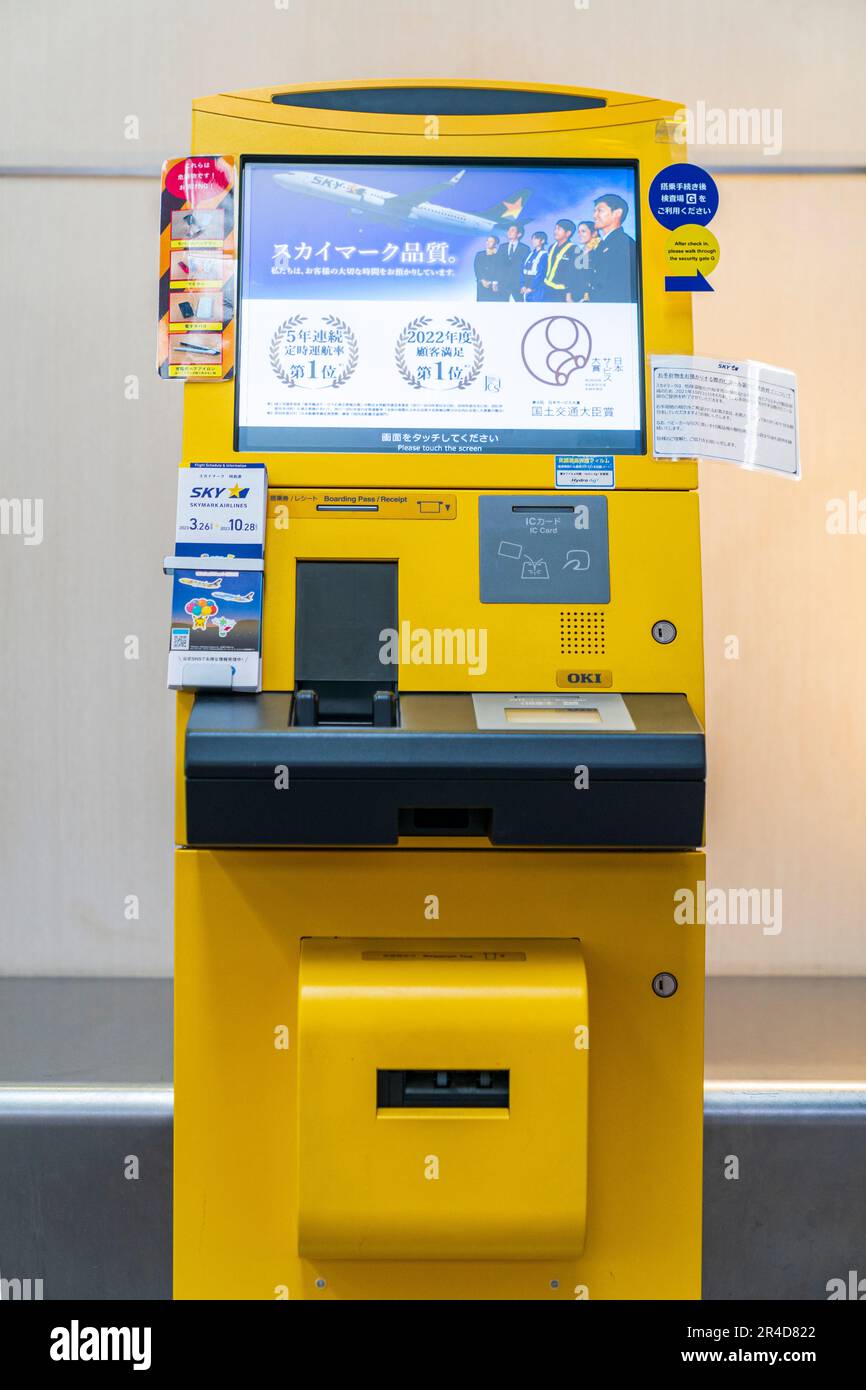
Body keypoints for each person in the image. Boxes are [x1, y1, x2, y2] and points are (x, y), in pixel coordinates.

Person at [587, 194, 637, 303]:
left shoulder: (625, 244)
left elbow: (619, 288)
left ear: (617, 213)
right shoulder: (603, 244)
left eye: (600, 210)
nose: (594, 216)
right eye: (594, 211)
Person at [542, 219, 583, 301]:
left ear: (568, 233)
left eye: (559, 229)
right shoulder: (551, 247)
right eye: (555, 228)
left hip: (562, 293)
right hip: (546, 289)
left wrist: (569, 293)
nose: (555, 231)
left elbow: (574, 274)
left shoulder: (575, 250)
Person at [496, 223, 530, 301]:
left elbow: (526, 268)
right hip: (503, 283)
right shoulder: (502, 247)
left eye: (512, 230)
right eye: (508, 230)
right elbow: (497, 265)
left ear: (519, 234)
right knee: (501, 307)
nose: (509, 232)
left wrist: (525, 284)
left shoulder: (525, 248)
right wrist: (496, 281)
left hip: (517, 284)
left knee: (520, 306)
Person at [569, 220, 598, 302]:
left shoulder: (600, 250)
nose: (579, 235)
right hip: (576, 297)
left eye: (583, 231)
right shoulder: (580, 251)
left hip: (592, 298)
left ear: (594, 233)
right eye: (578, 232)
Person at [520, 231, 548, 301]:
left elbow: (541, 273)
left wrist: (532, 287)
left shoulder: (544, 255)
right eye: (532, 238)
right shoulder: (530, 254)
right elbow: (522, 270)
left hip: (537, 288)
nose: (533, 241)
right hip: (526, 286)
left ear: (542, 241)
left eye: (536, 238)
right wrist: (522, 285)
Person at [474, 235, 501, 301]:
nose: (488, 242)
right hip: (482, 284)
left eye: (491, 241)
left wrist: (495, 282)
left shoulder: (499, 255)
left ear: (496, 243)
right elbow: (477, 269)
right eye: (487, 240)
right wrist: (482, 280)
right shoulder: (479, 254)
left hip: (495, 285)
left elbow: (501, 270)